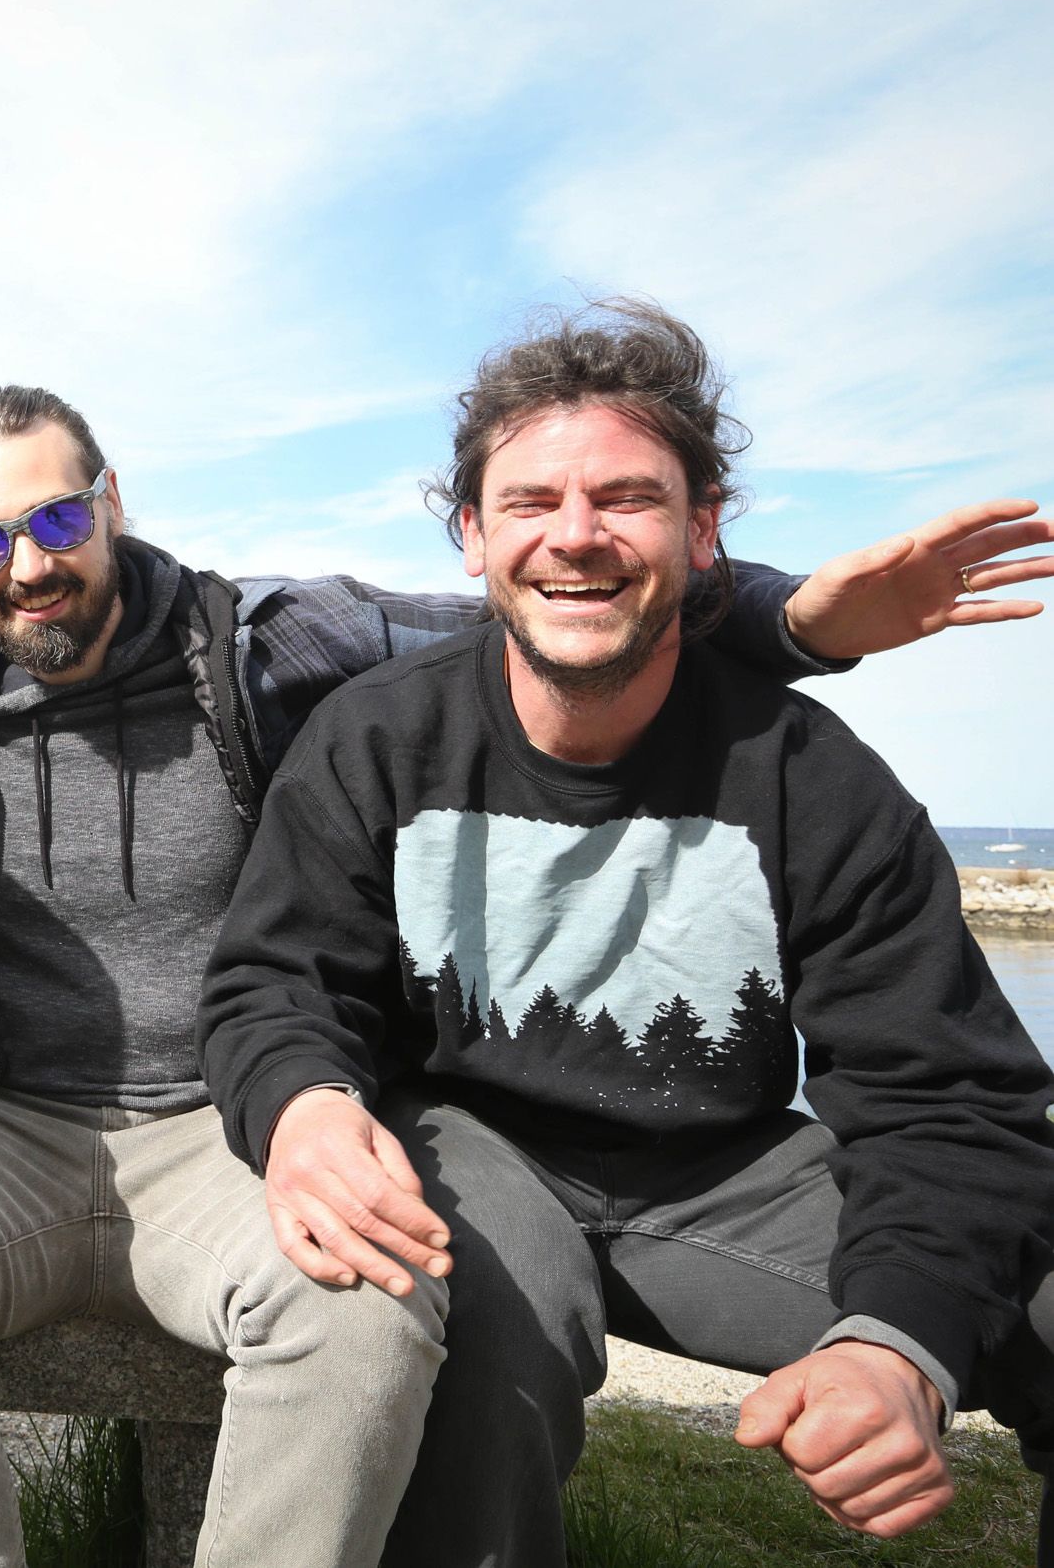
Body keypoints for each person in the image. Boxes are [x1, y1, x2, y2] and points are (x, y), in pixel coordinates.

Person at [0, 381, 1054, 1566]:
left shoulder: (268, 645)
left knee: (367, 1293)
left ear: (110, 501)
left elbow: (559, 596)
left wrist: (789, 618)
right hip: (29, 1122)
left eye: (55, 517)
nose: (28, 562)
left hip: (224, 1131)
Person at [197, 297, 1054, 1567]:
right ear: (474, 535)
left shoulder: (811, 777)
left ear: (702, 530)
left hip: (725, 1173)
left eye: (628, 498)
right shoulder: (377, 738)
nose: (576, 537)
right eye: (531, 501)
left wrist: (895, 1343)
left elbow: (947, 1097)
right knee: (482, 1307)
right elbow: (275, 980)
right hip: (467, 1146)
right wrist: (304, 1101)